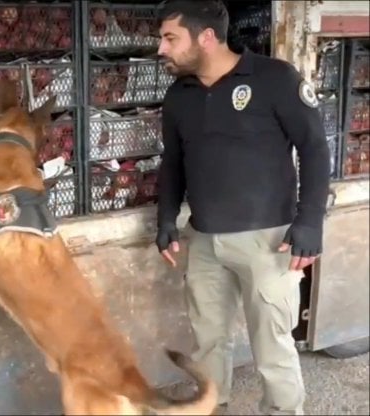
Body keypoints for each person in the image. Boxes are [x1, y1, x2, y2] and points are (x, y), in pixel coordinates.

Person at [154, 0, 331, 415]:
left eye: (170, 38)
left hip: (269, 242)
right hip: (204, 240)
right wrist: (165, 219)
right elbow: (173, 162)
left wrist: (310, 223)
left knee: (272, 345)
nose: (161, 49)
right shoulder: (179, 95)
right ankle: (212, 408)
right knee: (209, 343)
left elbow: (315, 150)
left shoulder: (275, 79)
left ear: (207, 38)